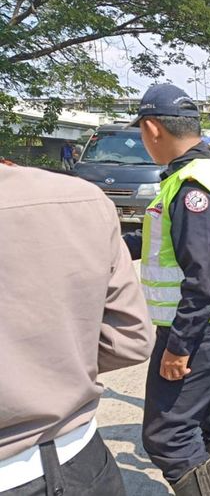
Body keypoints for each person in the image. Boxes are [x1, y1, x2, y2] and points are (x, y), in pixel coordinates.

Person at [124, 84, 210, 496]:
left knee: (167, 435)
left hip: (197, 328)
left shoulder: (192, 187)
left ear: (152, 128)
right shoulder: (200, 173)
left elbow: (203, 278)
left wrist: (179, 346)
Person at [0, 165, 154, 495]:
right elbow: (130, 339)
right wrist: (61, 359)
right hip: (81, 461)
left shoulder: (194, 184)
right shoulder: (81, 198)